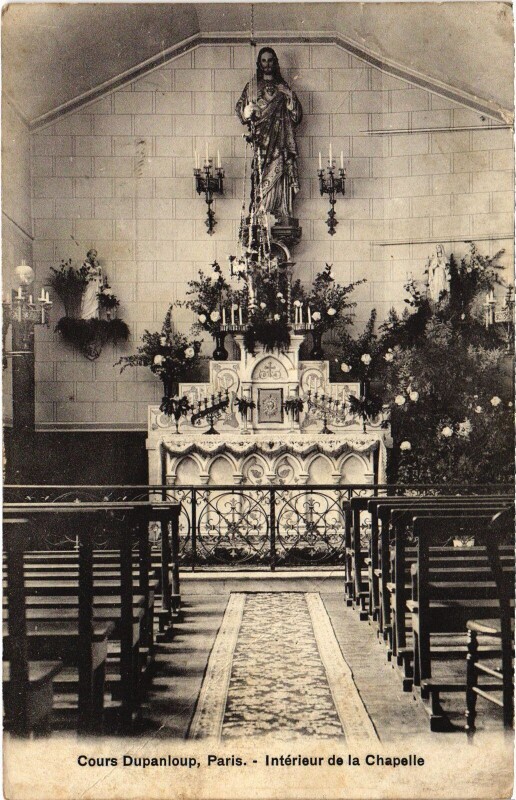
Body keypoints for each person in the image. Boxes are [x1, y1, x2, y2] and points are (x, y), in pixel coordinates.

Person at [236, 47, 302, 225]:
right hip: (261, 142)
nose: (267, 64)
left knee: (280, 174)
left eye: (270, 60)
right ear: (259, 63)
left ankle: (281, 210)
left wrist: (290, 97)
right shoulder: (252, 87)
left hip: (280, 141)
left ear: (275, 63)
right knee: (259, 173)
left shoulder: (283, 88)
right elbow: (241, 110)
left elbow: (296, 116)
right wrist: (247, 111)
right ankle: (260, 211)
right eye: (263, 61)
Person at [80, 249, 103, 319]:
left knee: (95, 301)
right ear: (89, 254)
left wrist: (97, 268)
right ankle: (86, 318)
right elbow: (83, 275)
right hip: (89, 285)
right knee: (87, 300)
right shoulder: (84, 264)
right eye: (93, 255)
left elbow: (99, 274)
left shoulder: (96, 264)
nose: (94, 257)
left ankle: (93, 318)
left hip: (95, 286)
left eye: (95, 255)